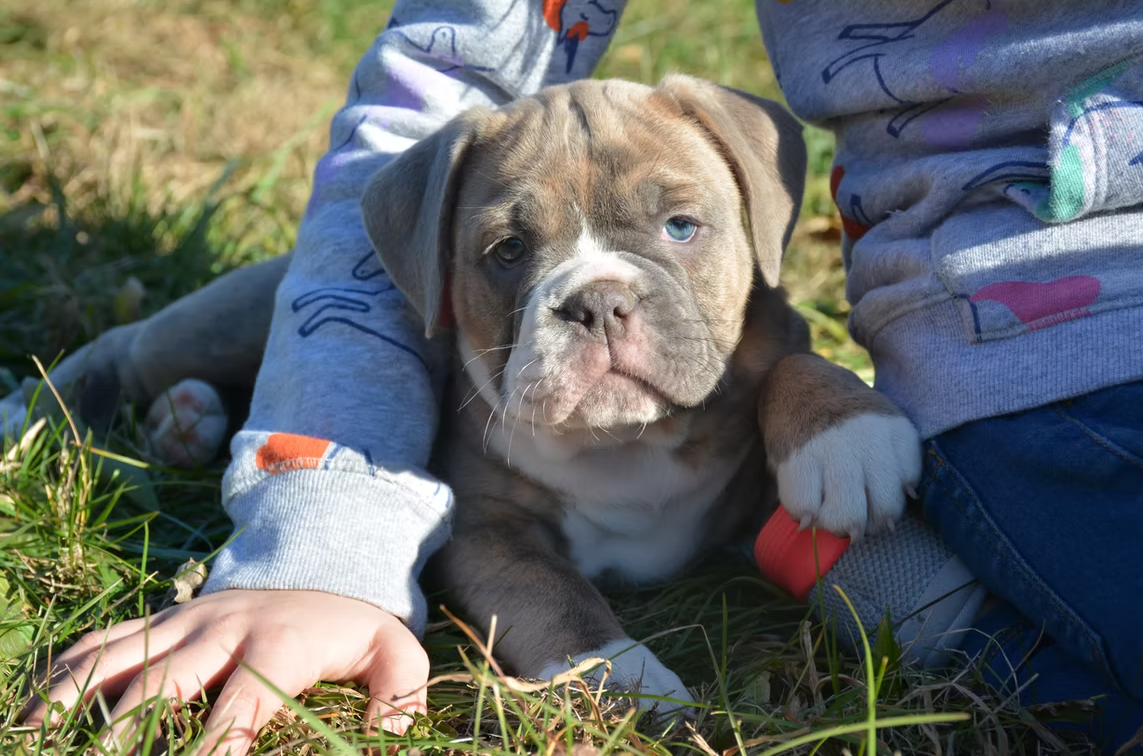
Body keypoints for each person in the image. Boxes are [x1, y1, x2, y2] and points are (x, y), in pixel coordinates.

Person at [21, 1, 1143, 753]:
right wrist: (593, 658)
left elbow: (793, 376)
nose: (604, 303)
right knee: (220, 325)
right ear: (445, 255)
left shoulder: (748, 364)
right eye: (514, 253)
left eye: (680, 225)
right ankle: (69, 387)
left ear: (760, 204)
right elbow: (481, 538)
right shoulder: (461, 386)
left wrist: (815, 400)